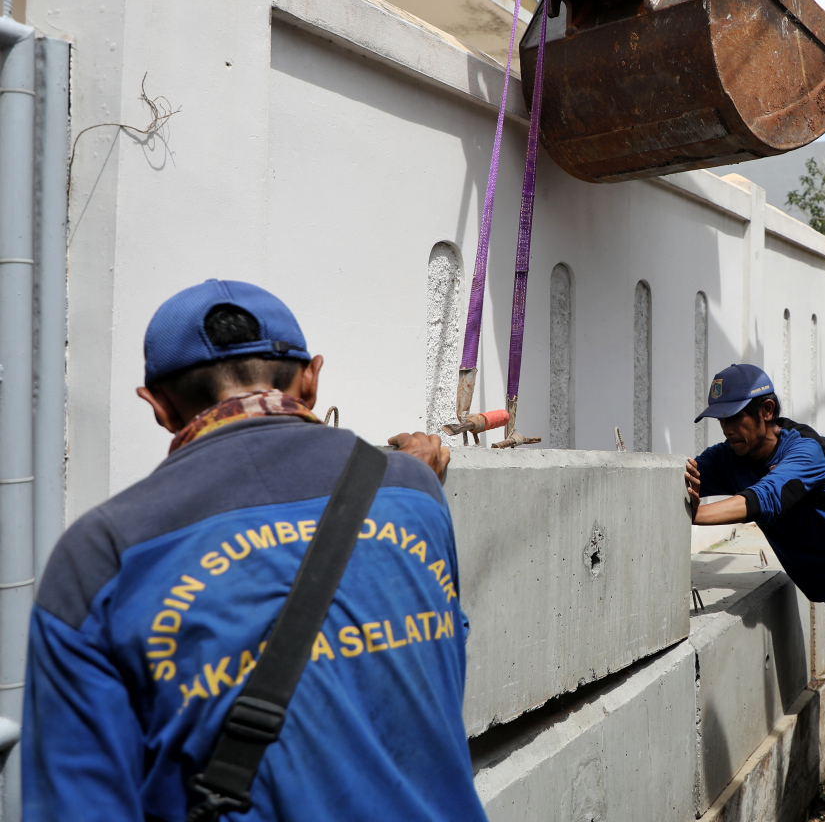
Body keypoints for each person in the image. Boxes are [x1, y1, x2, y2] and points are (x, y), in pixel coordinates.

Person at [23, 279, 487, 822]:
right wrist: (405, 475)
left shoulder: (101, 555)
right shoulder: (413, 493)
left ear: (159, 405)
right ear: (310, 380)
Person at [685, 363, 825, 822]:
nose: (728, 429)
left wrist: (692, 515)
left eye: (736, 417)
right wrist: (678, 482)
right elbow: (688, 475)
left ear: (767, 410)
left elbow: (765, 499)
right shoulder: (732, 456)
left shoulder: (803, 454)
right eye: (721, 420)